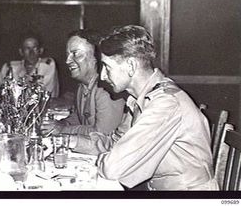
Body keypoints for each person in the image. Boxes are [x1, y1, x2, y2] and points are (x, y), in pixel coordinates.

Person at [87, 25, 218, 190]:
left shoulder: (165, 104)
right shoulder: (141, 98)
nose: (102, 76)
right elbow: (115, 145)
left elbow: (113, 169)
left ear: (131, 66)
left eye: (107, 67)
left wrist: (105, 159)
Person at [43, 29, 125, 136]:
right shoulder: (83, 86)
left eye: (75, 54)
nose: (68, 61)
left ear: (96, 57)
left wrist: (62, 129)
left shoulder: (107, 90)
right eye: (67, 54)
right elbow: (79, 116)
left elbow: (102, 133)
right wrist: (60, 124)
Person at [0, 33, 59, 97]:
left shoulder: (48, 65)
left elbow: (45, 92)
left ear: (40, 50)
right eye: (27, 48)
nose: (31, 53)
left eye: (35, 48)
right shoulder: (9, 67)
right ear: (21, 52)